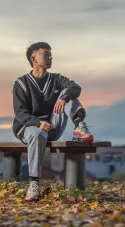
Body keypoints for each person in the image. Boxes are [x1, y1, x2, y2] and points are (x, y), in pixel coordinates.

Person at [11, 42, 94, 202]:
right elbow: (20, 113)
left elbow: (75, 87)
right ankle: (34, 185)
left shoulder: (56, 79)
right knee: (37, 133)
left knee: (67, 92)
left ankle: (79, 127)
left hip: (52, 126)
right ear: (33, 58)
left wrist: (64, 97)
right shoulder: (21, 83)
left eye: (50, 54)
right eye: (46, 54)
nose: (50, 57)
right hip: (28, 127)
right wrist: (37, 123)